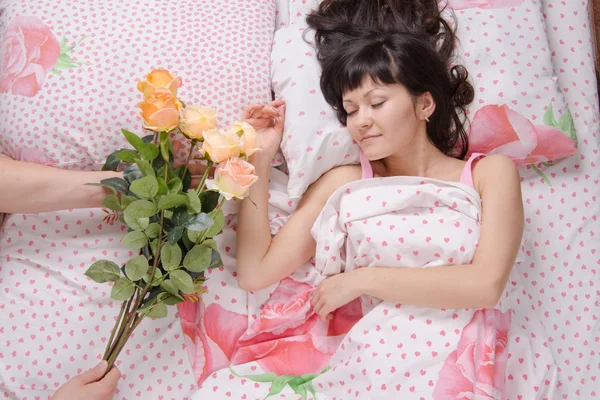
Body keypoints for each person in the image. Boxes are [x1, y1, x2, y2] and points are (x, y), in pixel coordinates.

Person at [230, 3, 524, 396]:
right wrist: (259, 158)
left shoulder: (489, 174)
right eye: (350, 110)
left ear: (424, 104)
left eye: (377, 103)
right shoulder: (346, 182)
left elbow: (485, 285)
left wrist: (359, 281)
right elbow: (255, 272)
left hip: (463, 358)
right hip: (372, 361)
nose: (360, 121)